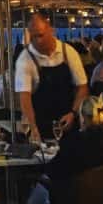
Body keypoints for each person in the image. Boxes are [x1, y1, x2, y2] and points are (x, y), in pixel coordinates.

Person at [15, 13, 88, 141]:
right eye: (33, 37)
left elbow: (82, 87)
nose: (38, 40)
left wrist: (73, 113)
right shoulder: (25, 59)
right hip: (41, 124)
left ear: (51, 31)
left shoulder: (68, 52)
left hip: (68, 122)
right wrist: (33, 127)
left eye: (41, 35)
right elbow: (24, 97)